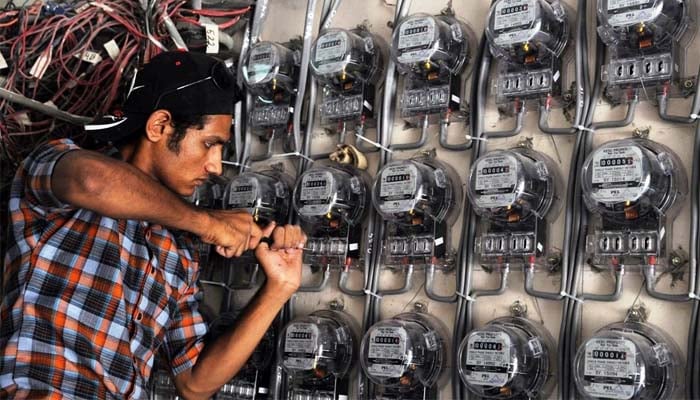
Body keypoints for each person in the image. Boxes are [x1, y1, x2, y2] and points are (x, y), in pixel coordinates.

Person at [0, 51, 305, 399]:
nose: (216, 167)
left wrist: (279, 287)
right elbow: (92, 182)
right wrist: (207, 223)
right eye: (210, 145)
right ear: (159, 126)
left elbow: (195, 383)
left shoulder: (179, 252)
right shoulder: (59, 163)